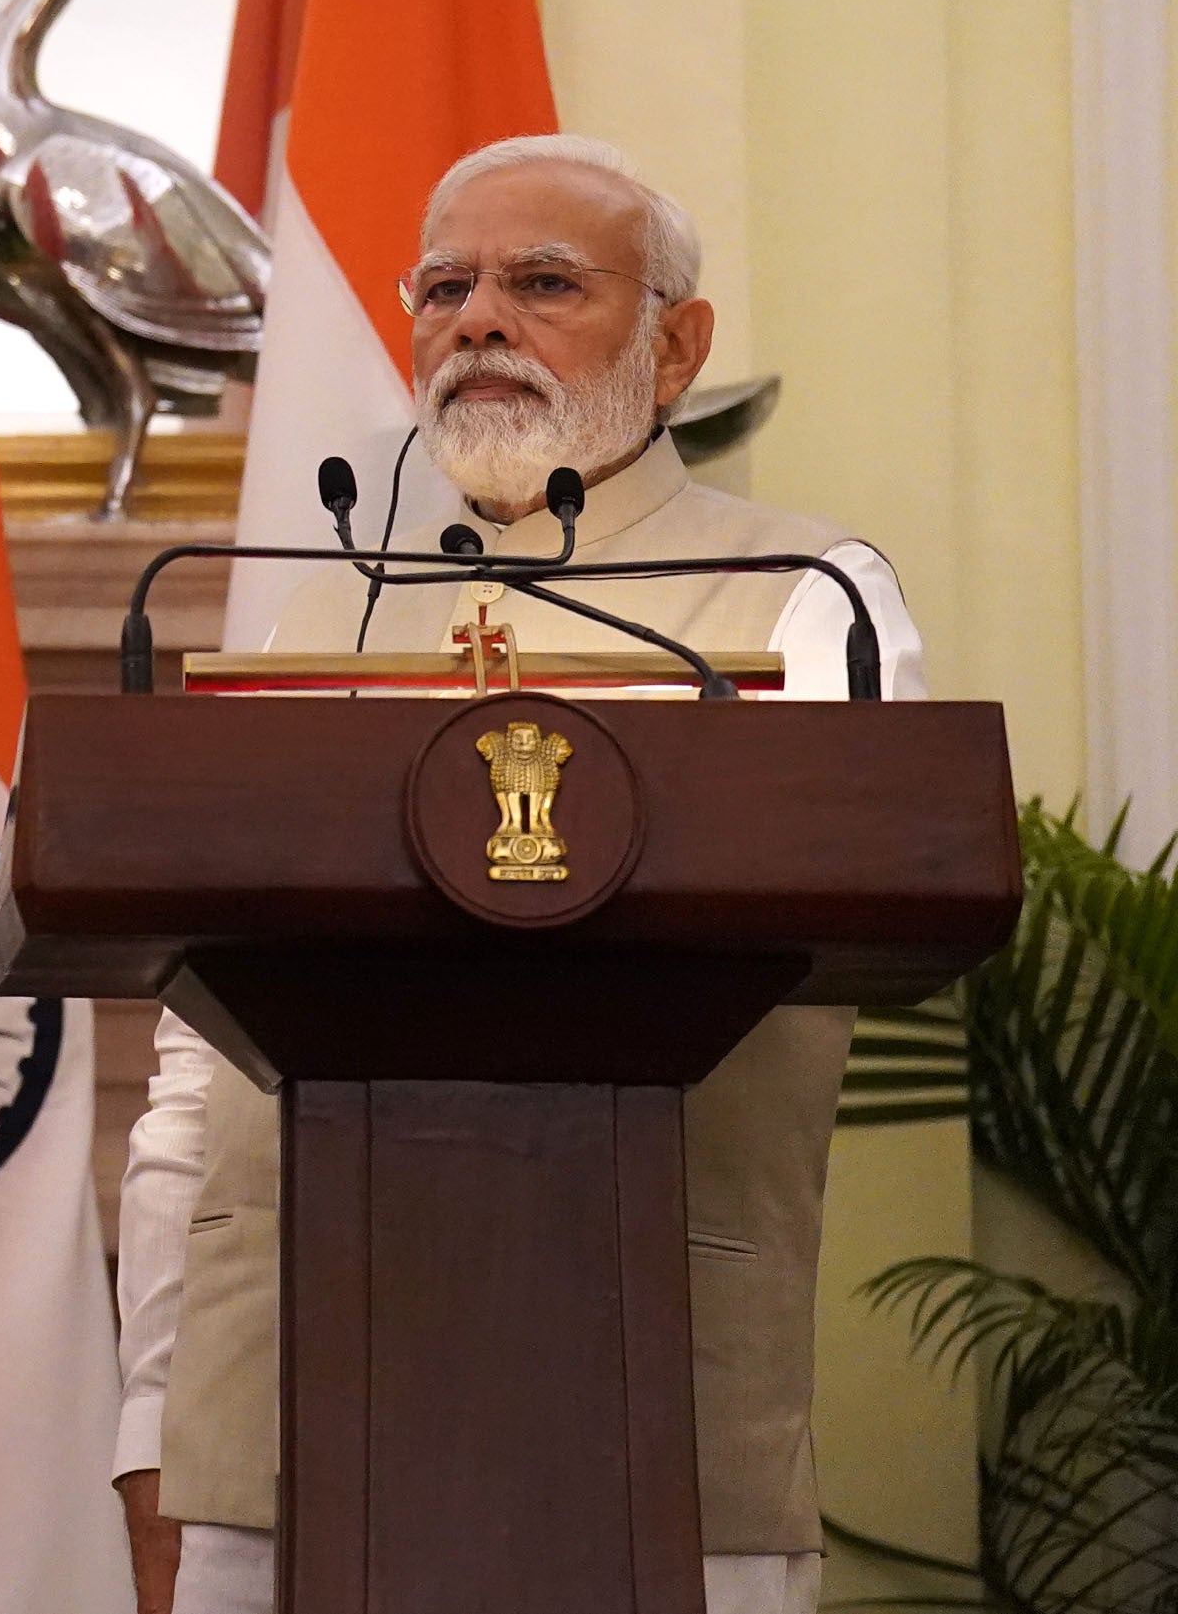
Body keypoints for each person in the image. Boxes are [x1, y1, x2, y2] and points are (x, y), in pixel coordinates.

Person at [110, 134, 919, 1614]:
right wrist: (152, 1420)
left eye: (542, 281)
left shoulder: (809, 598)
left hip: (649, 1393)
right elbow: (188, 1073)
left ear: (676, 350)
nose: (478, 318)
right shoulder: (316, 618)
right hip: (276, 1419)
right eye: (446, 286)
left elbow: (837, 900)